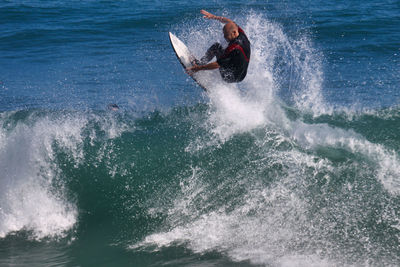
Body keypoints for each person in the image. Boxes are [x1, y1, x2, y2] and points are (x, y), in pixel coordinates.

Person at [186, 10, 251, 83]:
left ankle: (198, 64)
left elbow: (217, 64)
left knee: (216, 47)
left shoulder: (234, 48)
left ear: (234, 33)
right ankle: (201, 65)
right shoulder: (241, 34)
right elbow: (230, 22)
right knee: (226, 54)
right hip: (241, 75)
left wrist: (199, 68)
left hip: (230, 77)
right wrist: (214, 17)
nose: (224, 37)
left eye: (226, 35)